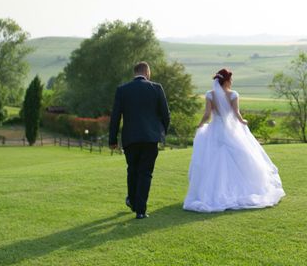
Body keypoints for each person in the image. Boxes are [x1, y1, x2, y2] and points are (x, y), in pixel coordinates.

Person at [183, 68, 285, 212]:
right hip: (231, 130)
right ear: (227, 80)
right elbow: (236, 113)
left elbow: (207, 115)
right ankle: (240, 190)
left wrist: (200, 125)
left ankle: (212, 192)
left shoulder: (210, 95)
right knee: (241, 158)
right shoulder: (233, 95)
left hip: (215, 130)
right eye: (231, 79)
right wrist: (242, 121)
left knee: (212, 160)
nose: (232, 81)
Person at [109, 61, 170, 219]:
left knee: (132, 169)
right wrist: (161, 133)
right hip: (151, 138)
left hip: (131, 138)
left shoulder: (122, 90)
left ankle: (132, 200)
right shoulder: (156, 88)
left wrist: (112, 139)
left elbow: (115, 117)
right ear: (147, 72)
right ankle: (140, 210)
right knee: (146, 173)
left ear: (134, 73)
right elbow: (166, 115)